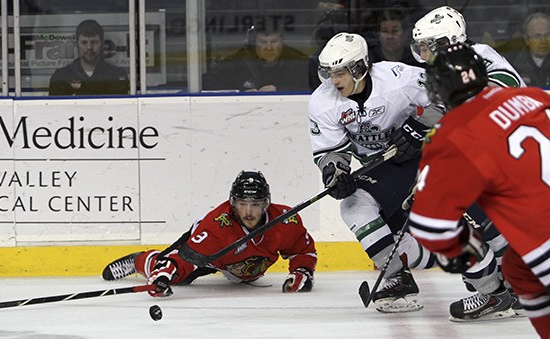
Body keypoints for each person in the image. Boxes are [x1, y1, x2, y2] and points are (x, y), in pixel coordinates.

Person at [408, 42, 550, 338]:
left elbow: (430, 226)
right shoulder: (532, 96)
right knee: (517, 267)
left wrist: (463, 253)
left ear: (438, 90)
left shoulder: (453, 133)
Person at [308, 32, 444, 313]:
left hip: (430, 156)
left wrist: (419, 129)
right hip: (387, 167)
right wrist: (335, 173)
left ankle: (501, 278)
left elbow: (448, 98)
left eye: (341, 72)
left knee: (472, 214)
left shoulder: (399, 78)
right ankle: (404, 277)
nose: (334, 81)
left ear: (359, 67)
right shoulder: (323, 102)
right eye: (330, 73)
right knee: (371, 217)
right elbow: (329, 151)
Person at [100, 171, 317, 297]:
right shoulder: (216, 226)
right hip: (215, 256)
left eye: (255, 204)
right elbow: (185, 259)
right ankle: (142, 260)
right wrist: (168, 270)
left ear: (266, 204)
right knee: (175, 277)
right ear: (233, 204)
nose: (249, 212)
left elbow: (303, 251)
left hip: (242, 267)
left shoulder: (285, 220)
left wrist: (302, 271)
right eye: (243, 204)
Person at [202, 18, 310, 92]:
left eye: (274, 41)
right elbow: (208, 81)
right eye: (263, 42)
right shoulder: (241, 59)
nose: (269, 47)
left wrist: (280, 90)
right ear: (254, 42)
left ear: (282, 40)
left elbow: (315, 85)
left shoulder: (296, 60)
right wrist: (240, 92)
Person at [48, 19, 129, 96]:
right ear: (76, 44)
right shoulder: (60, 76)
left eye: (94, 42)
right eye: (84, 42)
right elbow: (55, 109)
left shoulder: (117, 75)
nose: (89, 47)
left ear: (102, 44)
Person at [510, 12, 550, 88]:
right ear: (526, 39)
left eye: (547, 35)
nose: (543, 41)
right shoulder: (512, 65)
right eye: (537, 36)